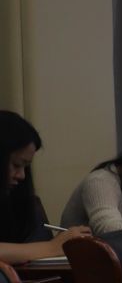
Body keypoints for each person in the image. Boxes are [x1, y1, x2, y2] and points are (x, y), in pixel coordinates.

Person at [1, 112, 88, 265]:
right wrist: (52, 247)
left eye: (25, 167)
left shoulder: (19, 201)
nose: (22, 176)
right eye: (16, 164)